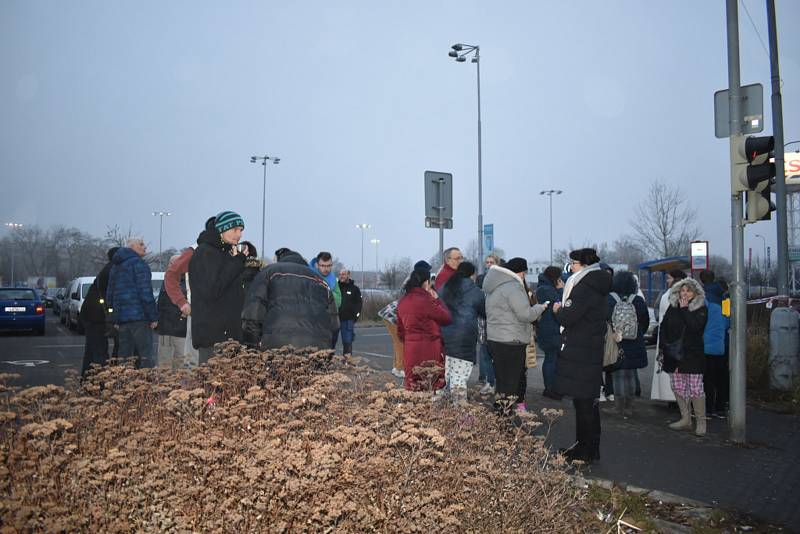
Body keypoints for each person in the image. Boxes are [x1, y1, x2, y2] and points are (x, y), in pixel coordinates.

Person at [553, 248, 612, 463]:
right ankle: (589, 448)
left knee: (584, 404)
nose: (570, 269)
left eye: (572, 264)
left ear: (582, 265)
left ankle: (584, 451)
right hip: (591, 348)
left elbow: (569, 317)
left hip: (580, 349)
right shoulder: (599, 284)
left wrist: (558, 311)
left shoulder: (584, 286)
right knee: (588, 402)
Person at [188, 212, 259, 363]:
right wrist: (238, 262)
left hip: (229, 336)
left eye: (241, 230)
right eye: (235, 230)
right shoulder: (205, 253)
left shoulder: (223, 252)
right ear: (222, 229)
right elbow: (212, 290)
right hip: (214, 338)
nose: (239, 235)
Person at [483, 257, 546, 414]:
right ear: (520, 273)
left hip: (495, 339)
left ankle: (500, 414)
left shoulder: (495, 286)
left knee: (502, 382)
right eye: (523, 273)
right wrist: (539, 308)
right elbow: (525, 315)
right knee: (511, 383)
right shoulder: (513, 287)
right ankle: (504, 420)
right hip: (512, 341)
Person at [242, 248, 339, 350]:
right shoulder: (321, 281)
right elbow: (334, 324)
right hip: (316, 347)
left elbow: (253, 312)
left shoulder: (269, 272)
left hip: (276, 344)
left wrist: (252, 345)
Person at [659, 277, 709, 436]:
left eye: (688, 290)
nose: (685, 293)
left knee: (695, 389)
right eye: (682, 290)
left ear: (695, 293)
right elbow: (664, 326)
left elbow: (695, 327)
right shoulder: (672, 307)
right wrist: (663, 347)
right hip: (674, 355)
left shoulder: (701, 308)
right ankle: (685, 419)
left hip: (692, 355)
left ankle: (701, 422)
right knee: (678, 386)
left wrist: (685, 309)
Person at [396, 261, 452, 392]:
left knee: (413, 384)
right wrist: (437, 300)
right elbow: (446, 318)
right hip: (430, 347)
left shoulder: (403, 301)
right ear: (426, 282)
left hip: (410, 347)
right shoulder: (427, 300)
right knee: (430, 383)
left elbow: (400, 330)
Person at [106, 238, 158, 368]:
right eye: (141, 244)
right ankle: (147, 385)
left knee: (124, 357)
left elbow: (110, 295)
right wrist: (153, 317)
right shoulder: (139, 264)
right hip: (140, 317)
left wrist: (116, 319)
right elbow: (145, 293)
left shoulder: (116, 266)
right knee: (146, 356)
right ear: (132, 247)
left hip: (123, 320)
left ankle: (123, 385)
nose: (145, 247)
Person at [439, 262, 485, 405]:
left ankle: (445, 406)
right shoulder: (475, 290)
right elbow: (484, 311)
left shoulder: (445, 286)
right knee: (460, 375)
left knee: (449, 372)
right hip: (464, 336)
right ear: (472, 274)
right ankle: (459, 411)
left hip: (445, 333)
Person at [607, 271, 650, 418]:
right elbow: (645, 321)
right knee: (631, 374)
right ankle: (630, 407)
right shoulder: (638, 300)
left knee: (617, 375)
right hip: (634, 341)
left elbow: (604, 320)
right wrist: (637, 333)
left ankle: (618, 407)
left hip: (615, 341)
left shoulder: (609, 299)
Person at [79, 246, 118, 376]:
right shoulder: (112, 271)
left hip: (91, 315)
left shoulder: (107, 269)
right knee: (100, 352)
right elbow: (110, 296)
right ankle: (100, 384)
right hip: (97, 317)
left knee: (91, 351)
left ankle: (87, 381)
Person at [650, 269, 687, 402]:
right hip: (672, 337)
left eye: (669, 278)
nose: (667, 281)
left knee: (670, 370)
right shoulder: (670, 294)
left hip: (670, 338)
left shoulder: (669, 294)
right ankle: (673, 397)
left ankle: (669, 396)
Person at [163, 241, 200, 367]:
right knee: (182, 358)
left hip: (179, 326)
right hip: (178, 326)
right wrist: (183, 305)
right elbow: (164, 306)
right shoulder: (177, 284)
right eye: (171, 263)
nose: (174, 265)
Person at [535, 266, 564, 400]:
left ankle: (550, 387)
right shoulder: (548, 290)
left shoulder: (542, 287)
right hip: (551, 329)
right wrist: (561, 289)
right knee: (552, 359)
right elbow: (560, 303)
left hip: (545, 328)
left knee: (550, 359)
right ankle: (550, 389)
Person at [156, 255, 188, 369]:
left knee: (181, 362)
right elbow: (160, 303)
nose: (173, 266)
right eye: (171, 263)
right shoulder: (166, 281)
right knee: (164, 362)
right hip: (165, 328)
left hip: (181, 328)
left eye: (176, 263)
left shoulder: (189, 282)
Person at [310, 251, 342, 347]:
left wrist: (327, 293)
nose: (326, 269)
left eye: (329, 266)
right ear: (317, 265)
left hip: (331, 324)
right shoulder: (309, 276)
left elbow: (339, 300)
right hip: (313, 325)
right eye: (323, 265)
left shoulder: (333, 279)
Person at [336, 268, 362, 356]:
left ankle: (347, 364)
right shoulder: (335, 287)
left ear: (348, 275)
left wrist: (355, 317)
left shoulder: (355, 289)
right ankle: (328, 363)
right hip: (334, 319)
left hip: (347, 320)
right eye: (340, 274)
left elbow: (359, 304)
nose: (341, 276)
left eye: (343, 274)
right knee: (330, 342)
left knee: (347, 342)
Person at [378, 299, 404, 378]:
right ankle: (400, 368)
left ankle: (396, 367)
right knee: (400, 342)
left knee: (397, 342)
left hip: (388, 314)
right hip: (392, 315)